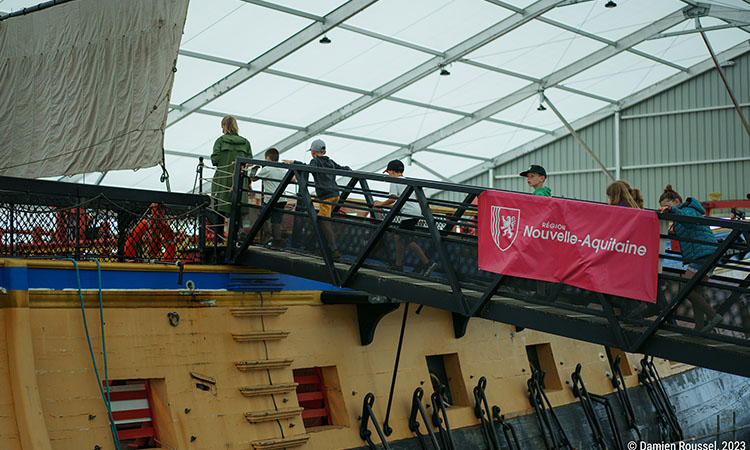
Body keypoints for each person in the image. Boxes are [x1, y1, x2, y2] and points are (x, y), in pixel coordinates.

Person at [659, 184, 719, 330]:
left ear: (676, 202)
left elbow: (688, 219)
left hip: (703, 255)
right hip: (705, 255)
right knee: (695, 291)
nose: (666, 209)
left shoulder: (688, 209)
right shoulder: (681, 213)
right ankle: (700, 326)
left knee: (686, 289)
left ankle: (713, 317)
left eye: (667, 206)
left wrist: (672, 211)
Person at [283, 139, 349, 258]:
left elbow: (307, 168)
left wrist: (294, 162)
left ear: (313, 152)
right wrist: (349, 169)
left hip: (326, 196)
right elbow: (342, 168)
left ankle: (334, 249)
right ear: (324, 151)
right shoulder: (331, 162)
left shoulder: (315, 161)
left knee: (325, 222)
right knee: (320, 220)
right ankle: (318, 247)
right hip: (335, 195)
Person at [373, 159, 438, 276]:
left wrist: (380, 204)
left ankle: (427, 263)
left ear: (392, 172)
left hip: (408, 213)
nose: (388, 175)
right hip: (415, 212)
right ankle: (399, 265)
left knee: (407, 239)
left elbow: (393, 198)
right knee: (398, 237)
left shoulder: (395, 182)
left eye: (388, 173)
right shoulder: (407, 182)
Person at [211, 115, 252, 236]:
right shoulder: (245, 143)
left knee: (219, 212)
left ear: (224, 126)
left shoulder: (220, 141)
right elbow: (250, 163)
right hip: (239, 182)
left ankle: (218, 241)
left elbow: (215, 160)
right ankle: (235, 239)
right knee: (237, 212)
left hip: (222, 182)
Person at [248, 148, 290, 246]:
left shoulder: (267, 169)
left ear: (267, 158)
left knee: (261, 217)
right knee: (276, 221)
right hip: (282, 199)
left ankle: (267, 234)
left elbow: (253, 179)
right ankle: (277, 241)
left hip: (271, 199)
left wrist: (253, 169)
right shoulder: (282, 168)